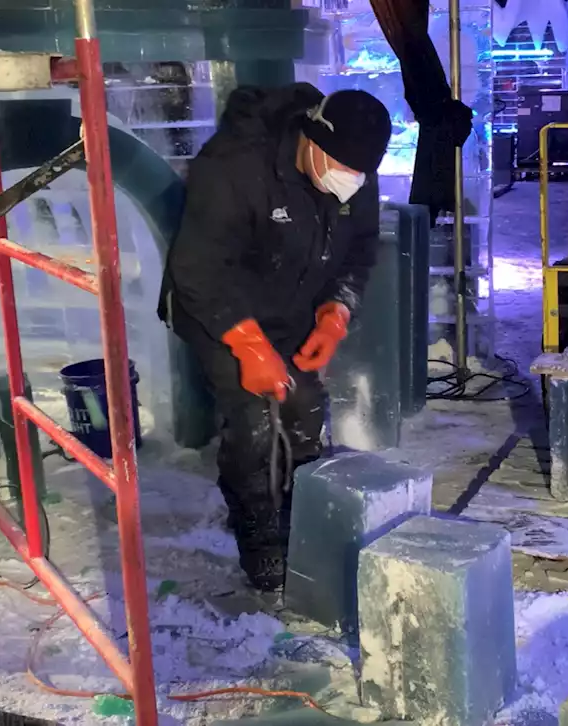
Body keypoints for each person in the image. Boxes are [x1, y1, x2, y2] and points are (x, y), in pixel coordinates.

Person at [158, 84, 392, 591]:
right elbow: (195, 269)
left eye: (361, 174)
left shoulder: (354, 173)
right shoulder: (233, 169)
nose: (351, 182)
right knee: (254, 418)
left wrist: (336, 314)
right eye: (343, 167)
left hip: (293, 303)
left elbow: (361, 249)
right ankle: (259, 533)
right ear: (311, 140)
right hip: (218, 308)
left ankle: (301, 518)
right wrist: (247, 344)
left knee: (305, 408)